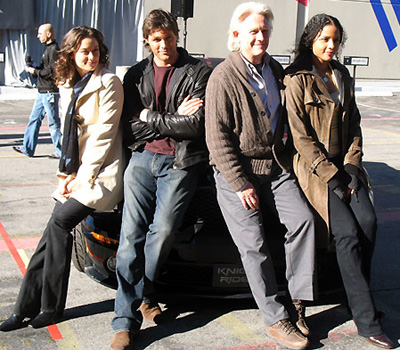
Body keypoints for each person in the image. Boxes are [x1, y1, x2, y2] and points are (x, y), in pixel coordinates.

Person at [205, 3, 315, 350]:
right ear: (236, 35)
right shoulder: (223, 76)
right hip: (237, 170)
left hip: (274, 167)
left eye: (265, 30)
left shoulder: (275, 69)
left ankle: (296, 302)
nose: (260, 36)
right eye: (253, 30)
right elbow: (217, 138)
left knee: (303, 222)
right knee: (254, 244)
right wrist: (240, 185)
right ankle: (274, 317)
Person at [0, 26, 124, 331]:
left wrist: (82, 177)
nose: (92, 56)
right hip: (77, 174)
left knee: (59, 225)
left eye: (95, 50)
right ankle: (22, 309)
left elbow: (102, 137)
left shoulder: (109, 82)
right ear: (70, 53)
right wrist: (68, 175)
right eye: (84, 51)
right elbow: (70, 138)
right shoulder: (68, 83)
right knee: (47, 239)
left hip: (101, 174)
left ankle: (52, 306)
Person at [284, 13, 393, 349]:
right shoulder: (296, 78)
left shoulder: (342, 74)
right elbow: (301, 138)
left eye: (335, 40)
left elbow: (355, 125)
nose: (330, 46)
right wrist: (331, 176)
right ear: (310, 40)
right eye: (324, 39)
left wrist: (351, 163)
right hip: (315, 169)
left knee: (369, 223)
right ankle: (367, 318)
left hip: (345, 164)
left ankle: (355, 293)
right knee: (345, 233)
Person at [110, 9, 211, 350]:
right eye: (157, 40)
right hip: (141, 158)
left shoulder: (198, 71)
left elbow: (195, 125)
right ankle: (125, 322)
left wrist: (150, 116)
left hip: (180, 162)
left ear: (177, 37)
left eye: (168, 38)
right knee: (129, 238)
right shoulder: (136, 74)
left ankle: (143, 291)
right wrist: (170, 117)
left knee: (164, 230)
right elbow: (129, 127)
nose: (164, 45)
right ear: (147, 41)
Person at [13, 23, 62, 159]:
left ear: (48, 34)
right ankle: (27, 148)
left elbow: (51, 72)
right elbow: (44, 69)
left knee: (53, 123)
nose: (38, 36)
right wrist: (35, 67)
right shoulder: (47, 49)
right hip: (42, 91)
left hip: (49, 92)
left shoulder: (53, 50)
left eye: (40, 33)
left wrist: (34, 70)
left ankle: (60, 151)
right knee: (34, 119)